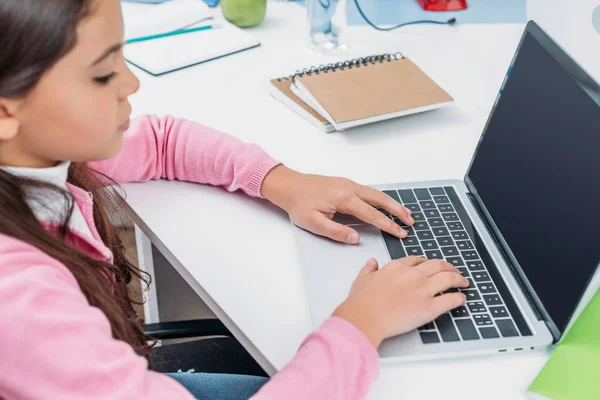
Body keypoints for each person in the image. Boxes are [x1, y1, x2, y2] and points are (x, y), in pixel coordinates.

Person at [0, 0, 468, 399]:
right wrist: (363, 322)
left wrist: (283, 182)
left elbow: (163, 141)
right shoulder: (20, 303)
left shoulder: (32, 157)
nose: (131, 84)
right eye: (103, 74)